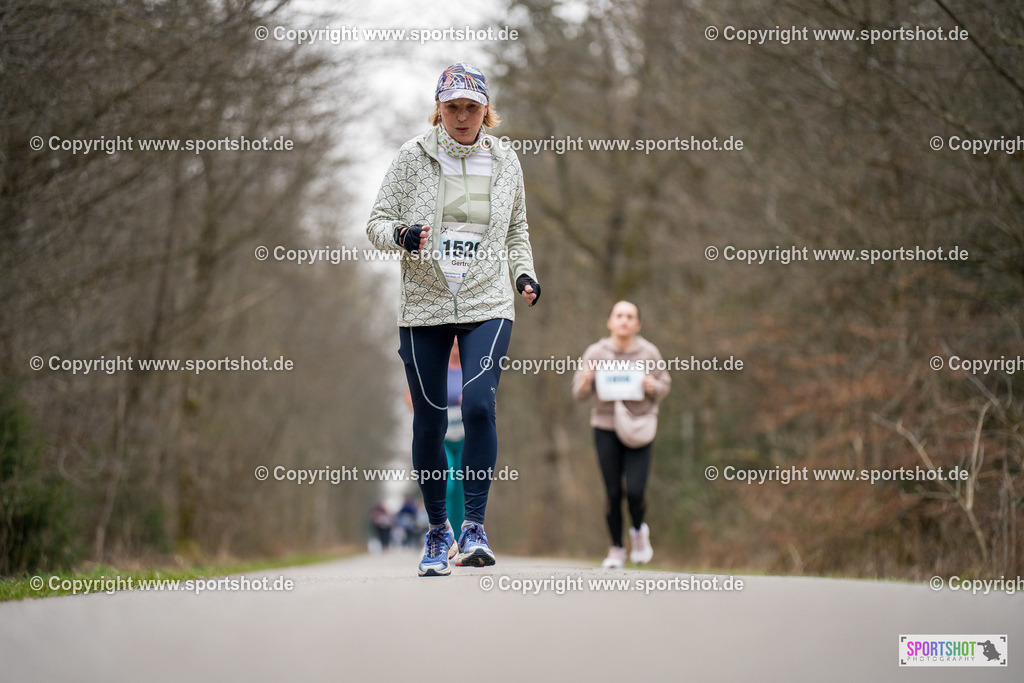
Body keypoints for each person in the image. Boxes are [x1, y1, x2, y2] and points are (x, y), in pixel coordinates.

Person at [367, 62, 540, 577]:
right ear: (438, 109)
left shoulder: (507, 161)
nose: (463, 116)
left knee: (481, 405)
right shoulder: (411, 158)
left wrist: (524, 274)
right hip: (425, 304)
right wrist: (401, 235)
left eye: (472, 107)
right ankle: (439, 531)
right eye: (453, 107)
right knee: (431, 417)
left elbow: (517, 231)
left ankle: (475, 529)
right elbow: (376, 222)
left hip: (489, 299)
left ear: (487, 110)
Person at [572, 301, 670, 568]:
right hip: (605, 426)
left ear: (637, 324)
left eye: (630, 317)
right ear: (610, 321)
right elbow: (579, 393)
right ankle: (616, 547)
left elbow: (665, 384)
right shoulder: (596, 351)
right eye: (619, 316)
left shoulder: (649, 352)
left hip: (640, 426)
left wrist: (653, 386)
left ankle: (638, 531)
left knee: (636, 491)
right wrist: (586, 380)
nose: (624, 321)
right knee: (613, 491)